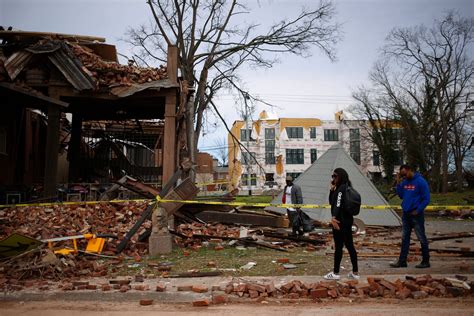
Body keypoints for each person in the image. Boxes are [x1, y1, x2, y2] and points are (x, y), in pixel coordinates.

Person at [390, 164, 431, 268]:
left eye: (405, 174)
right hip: (406, 214)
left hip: (416, 214)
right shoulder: (405, 182)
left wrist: (418, 210)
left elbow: (426, 199)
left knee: (421, 237)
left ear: (410, 170)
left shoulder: (420, 181)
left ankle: (426, 261)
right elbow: (401, 195)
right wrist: (398, 183)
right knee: (405, 238)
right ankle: (402, 261)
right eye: (402, 175)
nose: (404, 176)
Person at [324, 168, 359, 280]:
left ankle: (335, 272)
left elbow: (337, 204)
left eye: (335, 176)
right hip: (347, 221)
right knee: (350, 246)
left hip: (340, 222)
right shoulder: (342, 188)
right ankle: (355, 272)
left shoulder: (341, 189)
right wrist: (331, 189)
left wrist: (334, 218)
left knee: (339, 247)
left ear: (341, 176)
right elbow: (331, 202)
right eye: (332, 176)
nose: (333, 178)